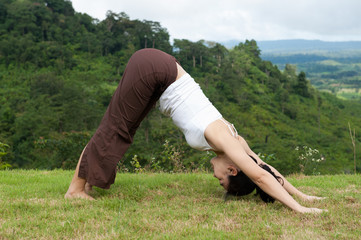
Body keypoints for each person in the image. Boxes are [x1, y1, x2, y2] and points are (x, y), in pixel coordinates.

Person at [65, 49, 326, 213]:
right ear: (232, 169)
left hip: (160, 74)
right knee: (115, 127)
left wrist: (303, 194)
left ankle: (85, 185)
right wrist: (300, 209)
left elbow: (265, 169)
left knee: (123, 129)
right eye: (223, 181)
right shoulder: (225, 140)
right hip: (156, 71)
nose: (217, 180)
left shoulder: (236, 143)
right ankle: (75, 190)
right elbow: (259, 176)